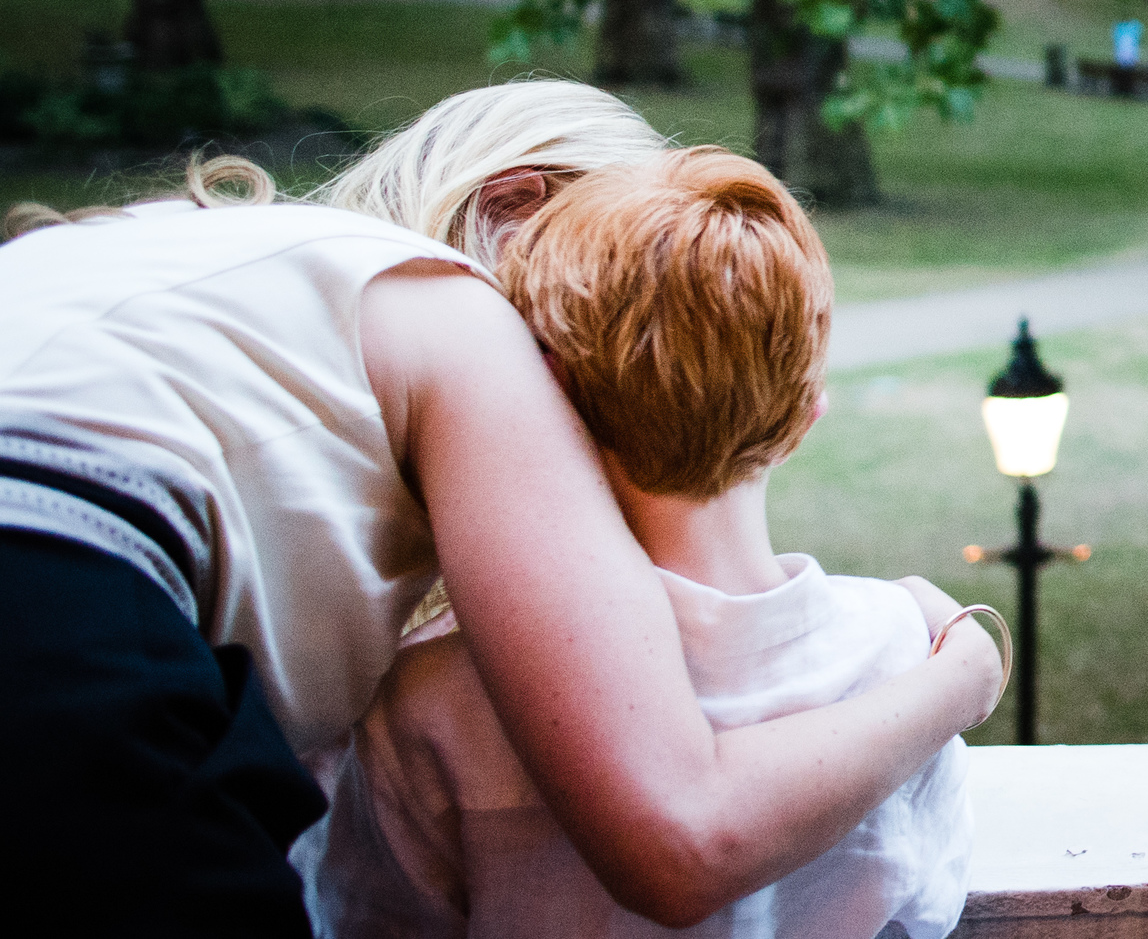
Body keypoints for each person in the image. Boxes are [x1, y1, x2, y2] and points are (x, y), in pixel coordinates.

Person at [0, 80, 1000, 936]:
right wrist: (964, 667)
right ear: (514, 205)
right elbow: (678, 833)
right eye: (609, 262)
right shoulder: (459, 309)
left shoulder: (227, 276)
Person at [312, 149, 985, 938]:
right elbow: (927, 911)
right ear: (805, 417)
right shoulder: (906, 654)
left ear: (545, 392)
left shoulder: (429, 701)